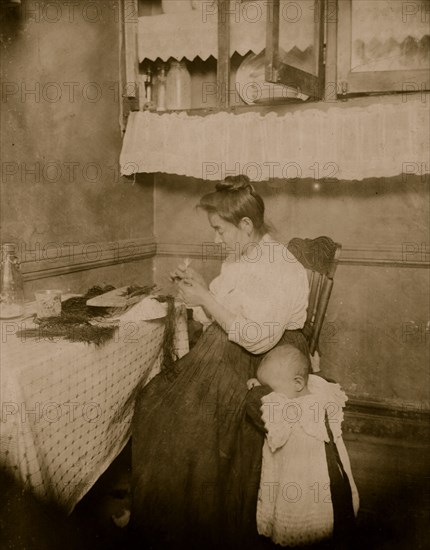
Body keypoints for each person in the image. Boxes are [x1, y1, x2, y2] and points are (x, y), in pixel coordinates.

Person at [131, 175, 309, 549]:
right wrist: (198, 289)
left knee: (188, 418)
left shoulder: (278, 266)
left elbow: (259, 336)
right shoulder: (240, 256)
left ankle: (190, 529)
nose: (216, 239)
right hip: (228, 346)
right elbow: (219, 314)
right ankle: (157, 516)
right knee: (153, 401)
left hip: (264, 358)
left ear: (245, 226)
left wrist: (207, 300)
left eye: (219, 230)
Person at [246, 345, 359, 549]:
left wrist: (256, 390)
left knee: (310, 525)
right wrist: (315, 369)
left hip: (305, 491)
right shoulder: (319, 394)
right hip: (334, 479)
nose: (269, 393)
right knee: (339, 519)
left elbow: (256, 404)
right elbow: (321, 381)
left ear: (298, 383)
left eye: (270, 388)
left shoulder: (287, 411)